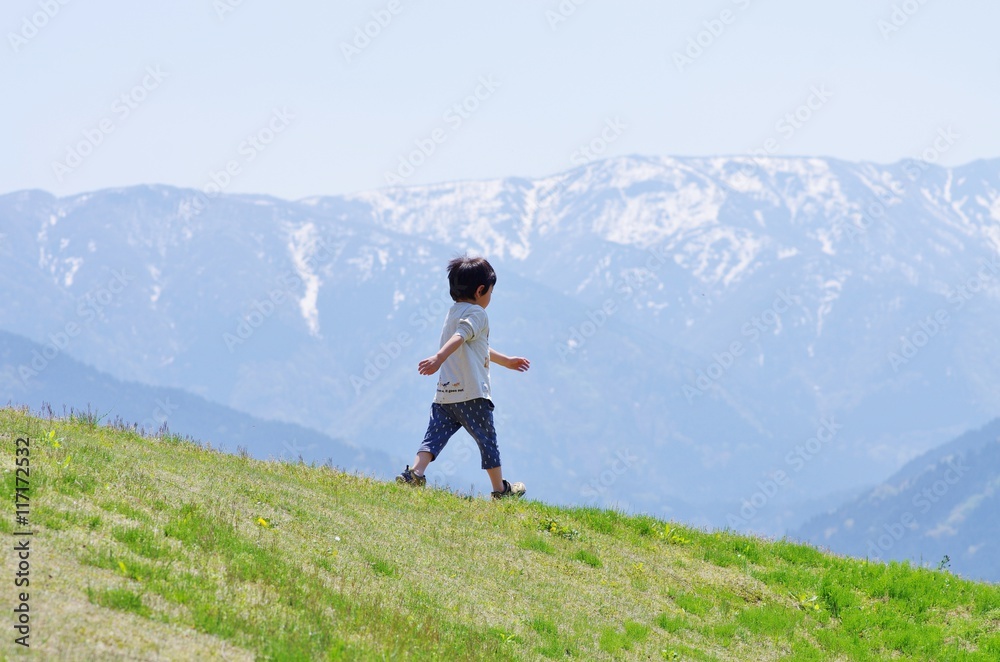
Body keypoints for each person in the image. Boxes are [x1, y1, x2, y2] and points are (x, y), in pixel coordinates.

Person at [396, 255, 530, 500]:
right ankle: (500, 491)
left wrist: (507, 361)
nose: (491, 296)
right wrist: (438, 358)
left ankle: (415, 473)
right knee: (487, 442)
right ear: (481, 290)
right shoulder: (478, 314)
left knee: (433, 436)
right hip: (473, 395)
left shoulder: (453, 312)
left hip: (446, 395)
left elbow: (472, 345)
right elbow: (461, 336)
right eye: (490, 291)